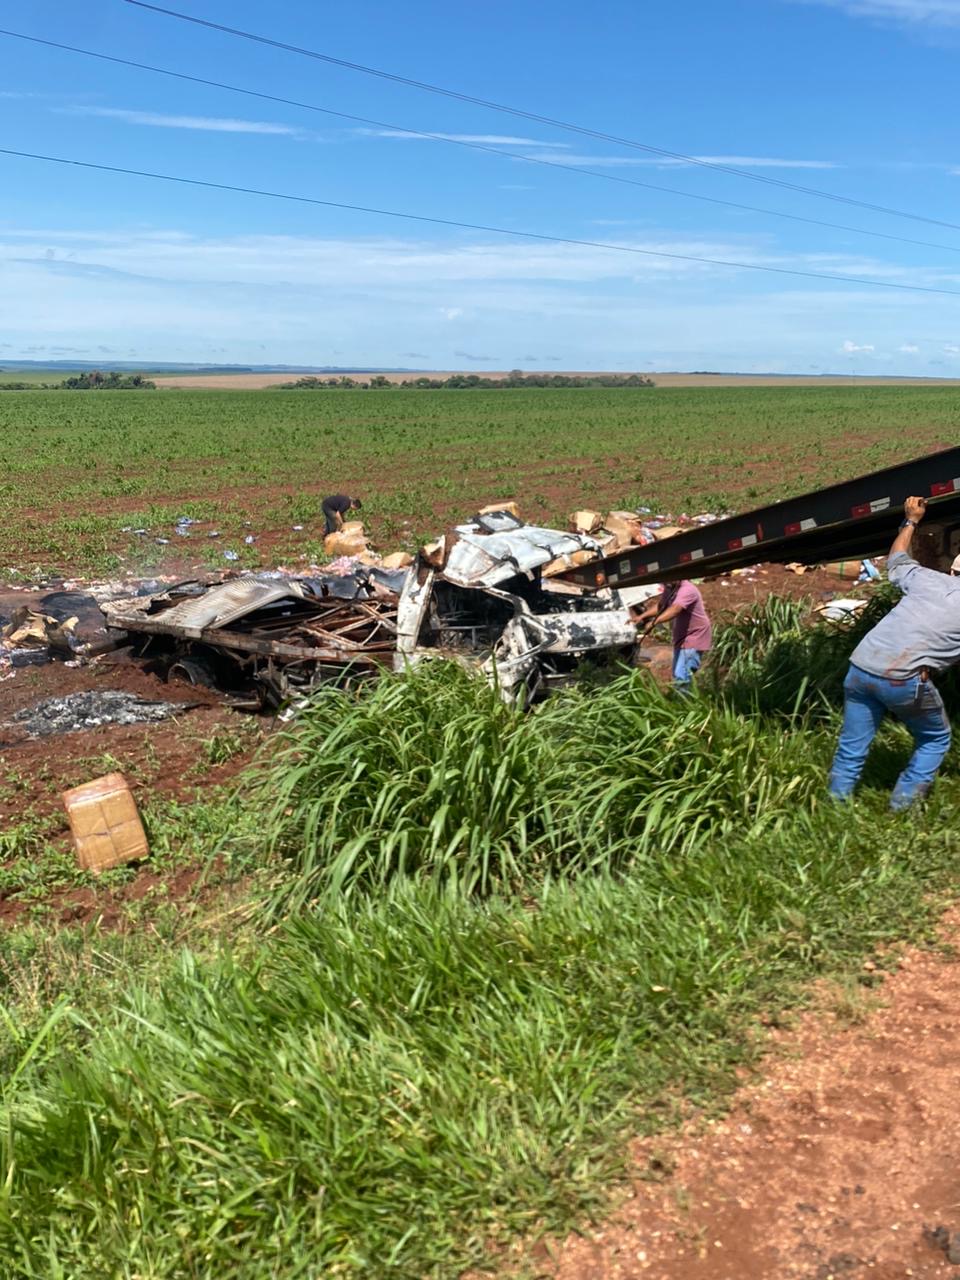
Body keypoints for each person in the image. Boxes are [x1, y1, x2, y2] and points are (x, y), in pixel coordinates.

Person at [829, 495, 956, 811]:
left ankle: (835, 806)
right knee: (935, 738)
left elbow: (897, 558)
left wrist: (912, 520)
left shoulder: (928, 580)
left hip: (860, 667)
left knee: (852, 745)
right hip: (900, 679)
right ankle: (901, 807)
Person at [630, 579, 712, 690]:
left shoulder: (687, 589)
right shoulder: (671, 588)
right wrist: (641, 616)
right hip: (682, 637)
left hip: (694, 636)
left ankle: (684, 703)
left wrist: (654, 622)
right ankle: (685, 699)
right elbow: (661, 606)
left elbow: (675, 609)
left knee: (682, 674)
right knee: (679, 672)